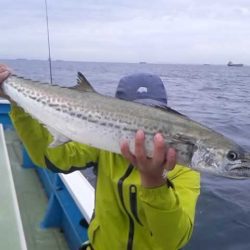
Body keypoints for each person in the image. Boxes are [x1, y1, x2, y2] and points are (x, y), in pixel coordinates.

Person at [0, 64, 200, 250]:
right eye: (134, 115)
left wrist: (155, 184)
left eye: (153, 118)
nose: (143, 127)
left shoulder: (183, 168)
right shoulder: (104, 144)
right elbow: (52, 157)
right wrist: (16, 103)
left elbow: (173, 239)